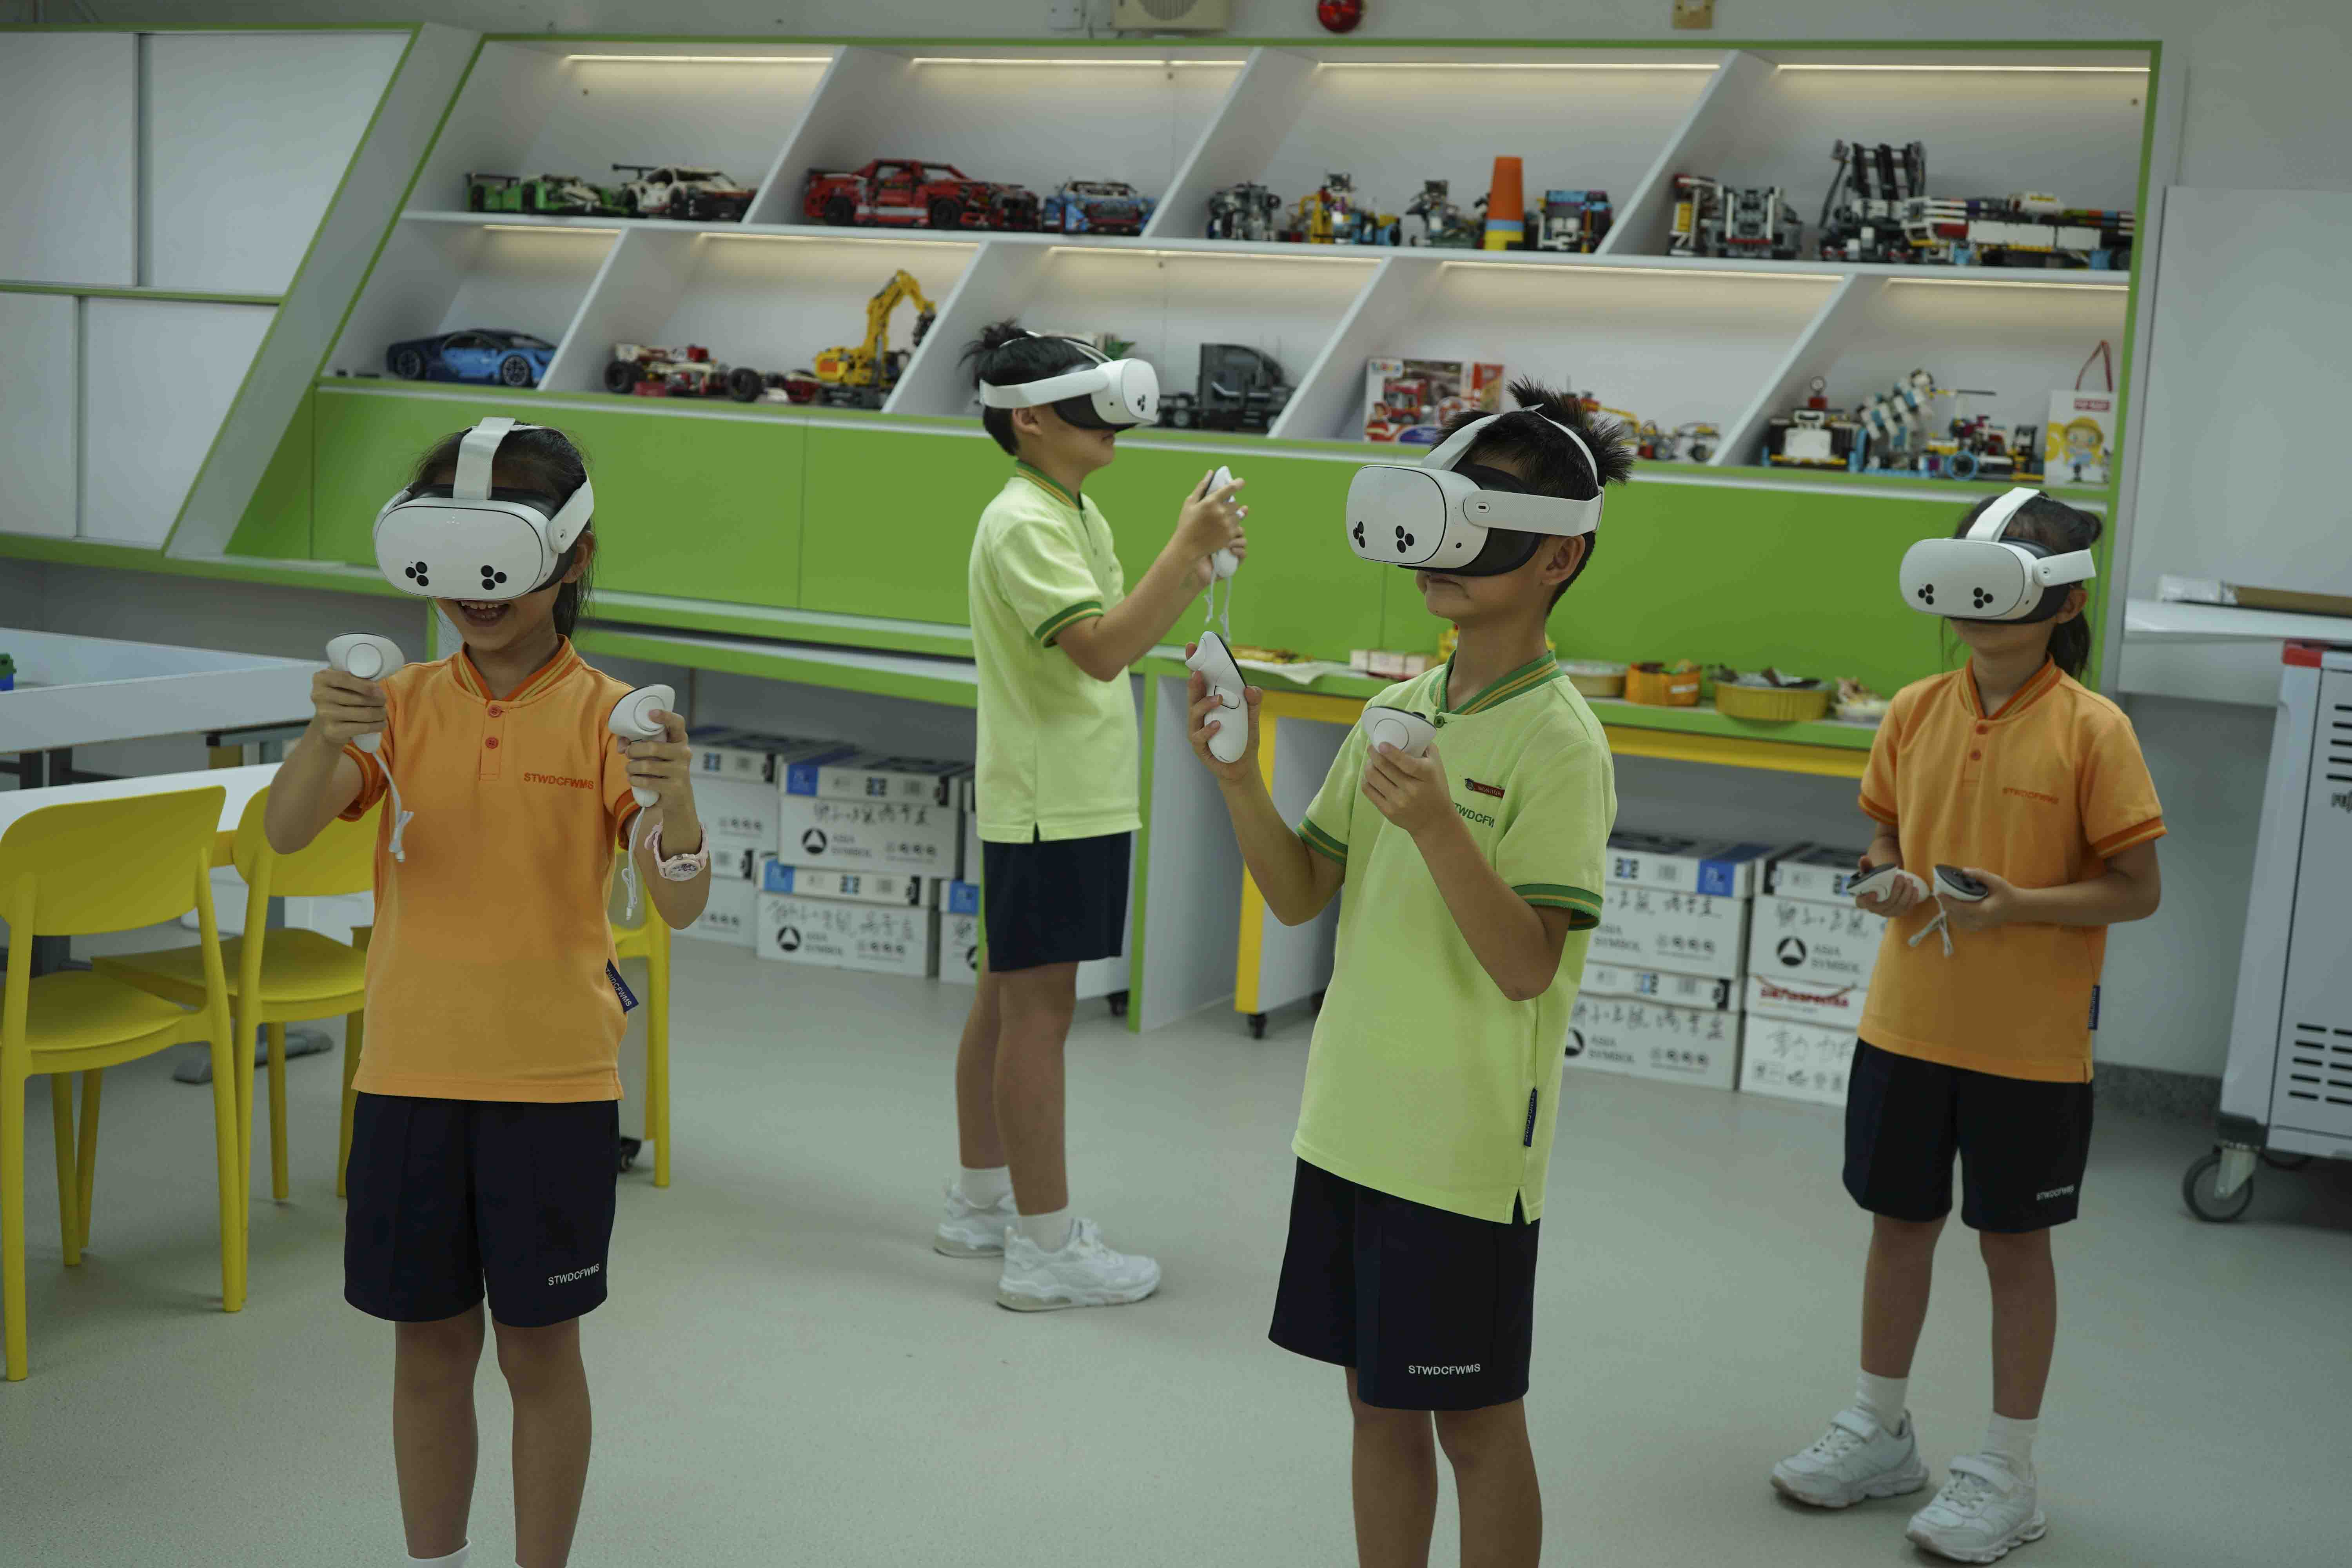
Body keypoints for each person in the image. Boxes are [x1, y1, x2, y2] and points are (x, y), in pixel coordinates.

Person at [1189, 380, 1631, 1567]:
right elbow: (1299, 892)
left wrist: (1439, 824)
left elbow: (1529, 966)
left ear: (1558, 558)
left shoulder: (1562, 743)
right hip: (1349, 1125)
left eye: (1482, 527)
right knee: (1375, 1405)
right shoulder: (1397, 707)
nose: (1443, 551)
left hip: (1463, 1153)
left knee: (1476, 1423)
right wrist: (1237, 775)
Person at [265, 423, 711, 1568]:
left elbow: (679, 904)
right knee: (427, 1350)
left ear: (572, 557)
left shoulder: (611, 713)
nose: (477, 591)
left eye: (501, 559)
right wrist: (323, 734)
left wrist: (677, 799)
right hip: (408, 1074)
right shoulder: (400, 700)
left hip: (553, 1085)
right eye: (452, 560)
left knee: (538, 1353)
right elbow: (287, 830)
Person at [1769, 492, 2164, 1564]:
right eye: (1968, 578)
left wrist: (2020, 905)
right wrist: (1883, 882)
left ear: (2064, 601)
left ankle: (2006, 1467)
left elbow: (2137, 888)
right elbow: (1883, 839)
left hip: (2029, 1048)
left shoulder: (2095, 729)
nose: (1981, 605)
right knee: (1897, 1225)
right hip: (1904, 1027)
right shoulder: (1912, 710)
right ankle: (1879, 1428)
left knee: (2014, 1244)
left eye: (2010, 578)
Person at [935, 323, 1247, 1310]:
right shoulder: (1023, 522)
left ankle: (981, 1203)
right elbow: (1104, 652)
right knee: (1038, 1015)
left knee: (1005, 999)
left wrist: (1195, 568)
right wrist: (1184, 548)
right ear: (1030, 418)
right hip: (1052, 802)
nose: (1113, 421)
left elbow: (1119, 632)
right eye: (1088, 403)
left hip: (1064, 794)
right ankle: (1045, 1248)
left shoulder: (1070, 509)